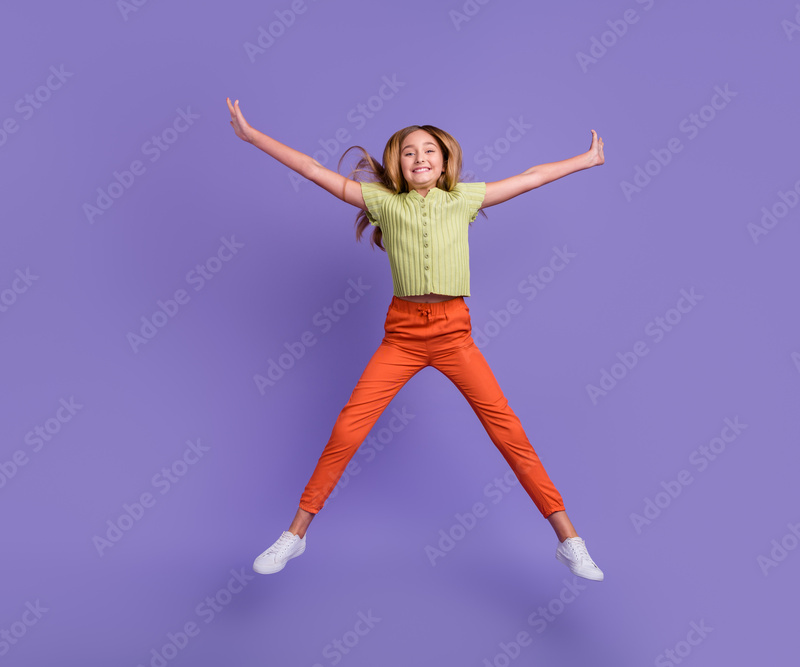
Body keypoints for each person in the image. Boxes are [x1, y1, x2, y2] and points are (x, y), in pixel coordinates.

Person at [226, 97, 606, 580]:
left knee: (508, 431)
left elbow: (531, 176)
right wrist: (252, 134)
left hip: (453, 334)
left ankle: (569, 540)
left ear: (445, 161)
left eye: (429, 150)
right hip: (402, 335)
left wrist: (586, 159)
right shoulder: (381, 202)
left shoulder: (464, 199)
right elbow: (311, 167)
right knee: (347, 429)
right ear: (396, 165)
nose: (420, 157)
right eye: (408, 152)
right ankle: (294, 536)